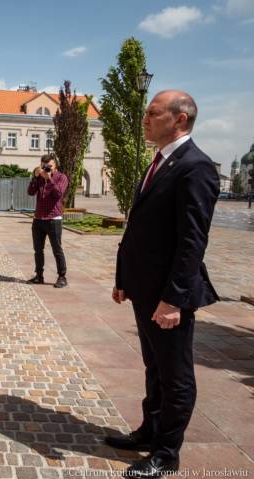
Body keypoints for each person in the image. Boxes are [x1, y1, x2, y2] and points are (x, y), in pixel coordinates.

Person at [107, 91, 220, 478]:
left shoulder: (196, 167)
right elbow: (139, 227)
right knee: (153, 367)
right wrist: (124, 278)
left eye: (153, 113)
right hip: (143, 288)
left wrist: (173, 299)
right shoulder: (159, 161)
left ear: (181, 119)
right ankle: (149, 432)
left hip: (169, 296)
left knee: (175, 375)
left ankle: (167, 452)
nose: (145, 119)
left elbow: (192, 242)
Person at [26, 153, 69, 288]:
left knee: (57, 249)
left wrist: (49, 179)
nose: (47, 169)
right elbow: (30, 192)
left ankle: (62, 277)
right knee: (38, 250)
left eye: (49, 166)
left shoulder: (61, 177)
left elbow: (58, 194)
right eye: (44, 166)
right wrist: (35, 177)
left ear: (55, 165)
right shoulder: (39, 178)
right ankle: (39, 276)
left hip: (53, 219)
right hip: (38, 218)